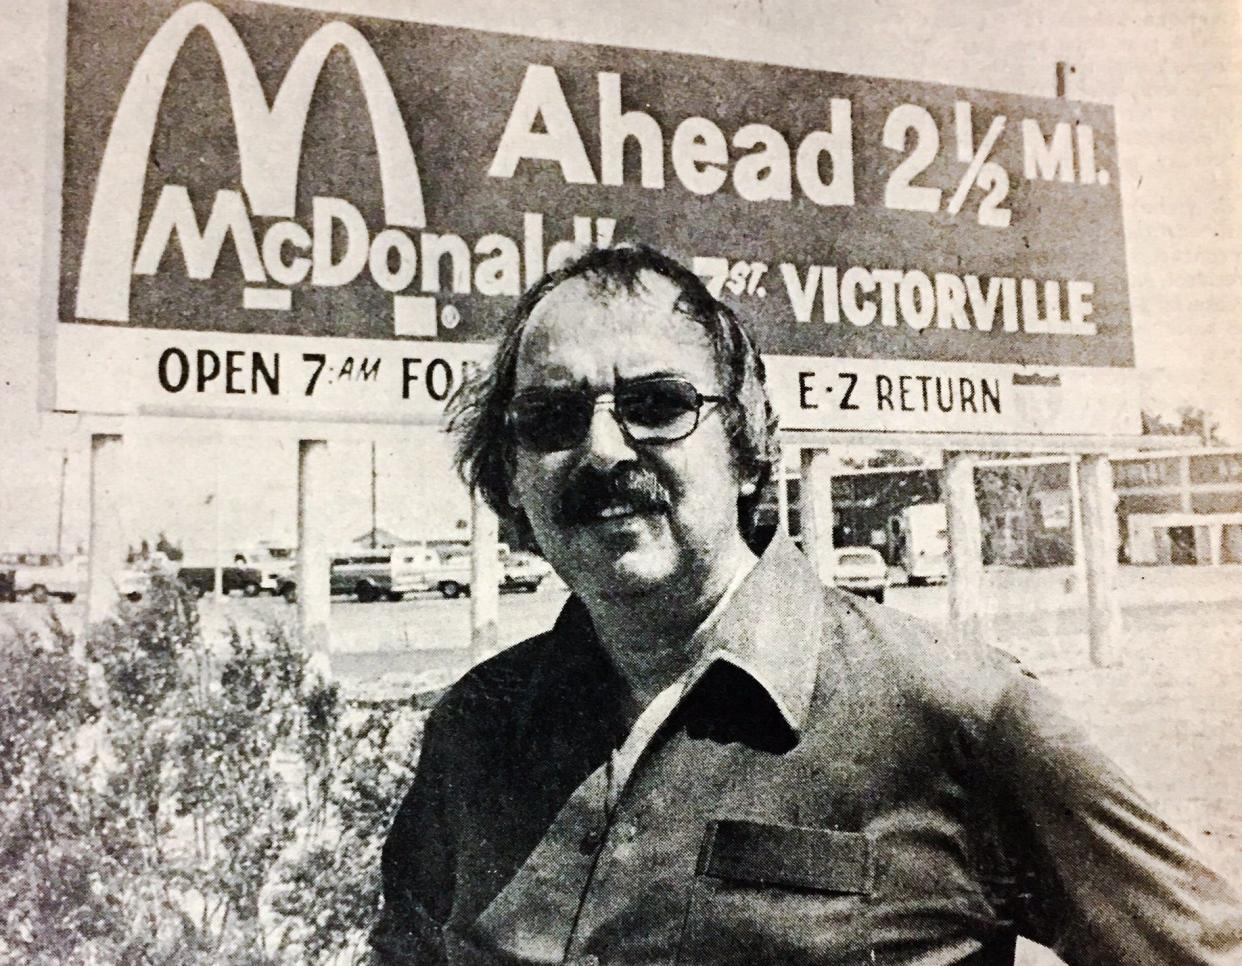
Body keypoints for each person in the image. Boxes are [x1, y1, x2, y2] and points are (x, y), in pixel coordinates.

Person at [372, 245, 1242, 964]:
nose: (603, 450)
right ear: (514, 480)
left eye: (655, 406)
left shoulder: (954, 713)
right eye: (552, 416)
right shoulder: (475, 730)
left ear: (748, 449)